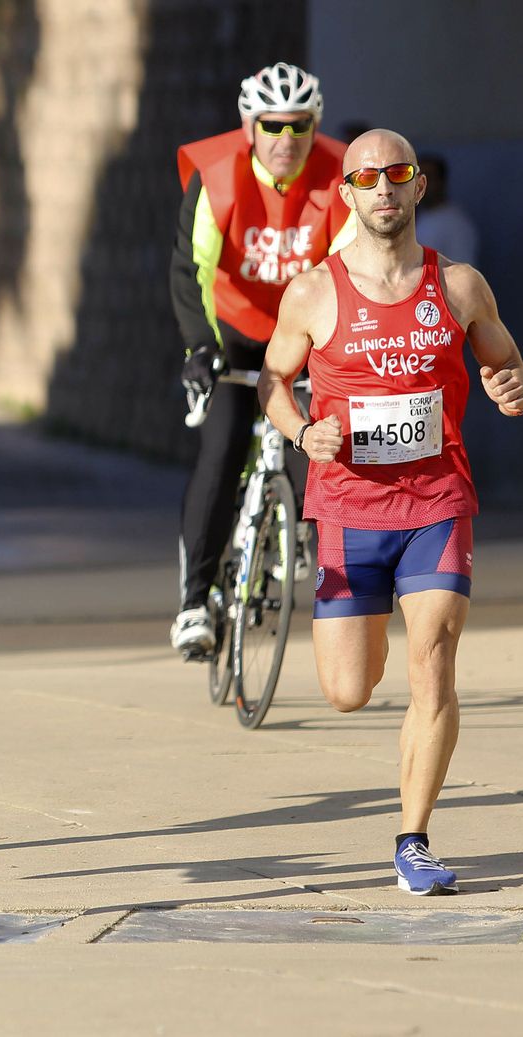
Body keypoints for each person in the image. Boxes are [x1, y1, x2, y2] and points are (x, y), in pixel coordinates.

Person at [259, 128, 523, 895]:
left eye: (398, 174)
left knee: (435, 664)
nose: (383, 187)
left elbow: (506, 364)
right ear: (347, 193)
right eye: (367, 176)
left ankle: (413, 837)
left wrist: (515, 387)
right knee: (349, 688)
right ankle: (366, 630)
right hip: (347, 508)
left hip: (437, 503)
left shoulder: (460, 286)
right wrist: (299, 428)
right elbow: (274, 381)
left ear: (418, 188)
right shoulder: (312, 293)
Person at [168, 62, 355, 661]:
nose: (286, 141)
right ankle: (196, 603)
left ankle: (303, 539)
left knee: (323, 448)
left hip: (304, 332)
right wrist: (200, 347)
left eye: (300, 127)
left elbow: (353, 272)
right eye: (272, 126)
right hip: (235, 331)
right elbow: (191, 266)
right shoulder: (217, 172)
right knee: (221, 451)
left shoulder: (342, 175)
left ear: (315, 127)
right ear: (249, 126)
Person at [414, 153, 479, 266]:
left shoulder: (456, 224)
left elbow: (462, 271)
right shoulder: (420, 217)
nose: (421, 185)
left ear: (441, 182)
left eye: (428, 178)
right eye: (417, 178)